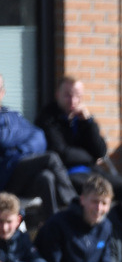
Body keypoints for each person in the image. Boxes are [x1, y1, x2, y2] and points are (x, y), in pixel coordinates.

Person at [36, 76, 122, 199]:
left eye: (78, 96)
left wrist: (88, 122)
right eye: (68, 95)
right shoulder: (47, 119)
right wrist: (91, 158)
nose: (73, 101)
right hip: (66, 175)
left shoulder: (83, 119)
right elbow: (62, 153)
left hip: (93, 171)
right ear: (57, 95)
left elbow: (101, 151)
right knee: (98, 195)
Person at [0, 73, 76, 220]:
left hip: (19, 171)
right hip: (5, 179)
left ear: (2, 92)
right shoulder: (13, 120)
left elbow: (39, 136)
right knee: (51, 158)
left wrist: (20, 150)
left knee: (46, 178)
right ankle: (73, 205)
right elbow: (3, 139)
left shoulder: (12, 115)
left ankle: (53, 226)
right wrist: (20, 138)